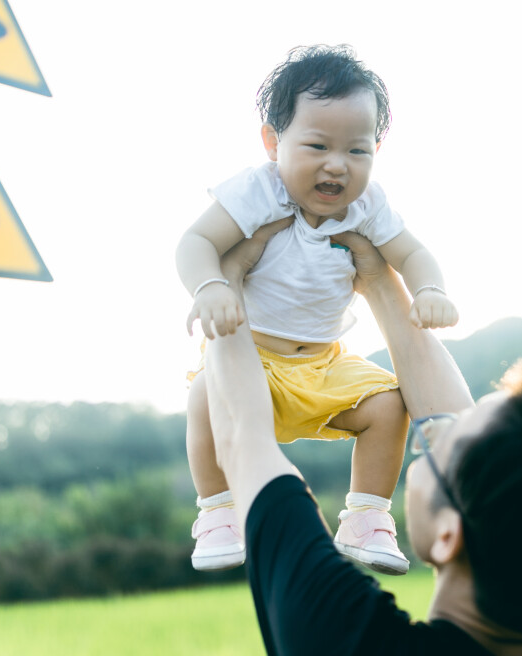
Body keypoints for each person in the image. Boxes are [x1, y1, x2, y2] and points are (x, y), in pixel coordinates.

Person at [201, 231, 522, 656]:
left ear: (451, 534)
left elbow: (244, 438)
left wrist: (224, 280)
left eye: (440, 446)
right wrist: (376, 277)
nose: (431, 428)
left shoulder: (347, 644)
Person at [175, 45, 458, 575]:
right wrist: (211, 286)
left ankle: (367, 517)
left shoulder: (368, 207)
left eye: (358, 150)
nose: (337, 164)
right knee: (202, 395)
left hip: (325, 365)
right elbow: (194, 242)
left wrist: (429, 290)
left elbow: (413, 253)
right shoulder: (257, 192)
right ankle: (217, 512)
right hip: (251, 360)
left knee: (388, 404)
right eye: (317, 145)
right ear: (272, 140)